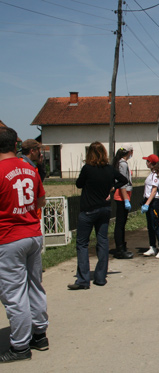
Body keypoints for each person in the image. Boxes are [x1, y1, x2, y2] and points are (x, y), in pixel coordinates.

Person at [0, 127, 49, 363]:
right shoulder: (30, 169)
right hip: (32, 233)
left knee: (14, 292)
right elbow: (41, 199)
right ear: (14, 145)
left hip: (9, 237)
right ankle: (39, 334)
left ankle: (20, 346)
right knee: (34, 285)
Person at [68, 142, 127, 290]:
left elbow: (79, 184)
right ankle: (100, 277)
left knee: (82, 243)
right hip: (104, 209)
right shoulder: (109, 169)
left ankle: (83, 279)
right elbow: (124, 180)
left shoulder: (87, 169)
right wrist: (112, 188)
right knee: (102, 241)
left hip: (88, 210)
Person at [141, 154, 159, 259]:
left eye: (147, 161)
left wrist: (147, 204)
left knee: (155, 225)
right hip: (149, 201)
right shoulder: (151, 173)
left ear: (151, 163)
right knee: (150, 226)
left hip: (154, 202)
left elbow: (154, 191)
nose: (146, 162)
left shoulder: (156, 175)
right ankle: (152, 246)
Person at [112, 144, 134, 259]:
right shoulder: (123, 164)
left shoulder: (122, 163)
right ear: (130, 151)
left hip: (124, 196)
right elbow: (123, 183)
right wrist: (126, 200)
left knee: (122, 223)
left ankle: (122, 247)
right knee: (120, 224)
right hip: (121, 196)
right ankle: (120, 249)